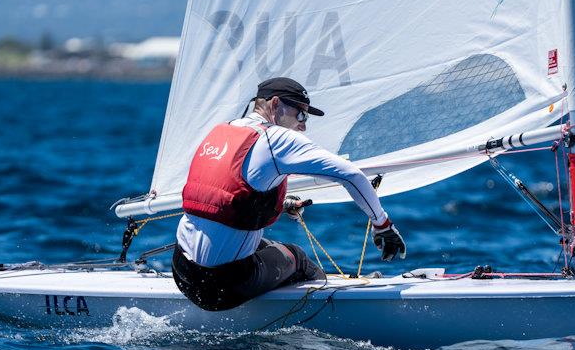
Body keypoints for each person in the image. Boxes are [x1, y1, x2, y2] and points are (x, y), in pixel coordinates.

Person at [172, 77, 406, 311]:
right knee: (298, 257)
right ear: (275, 105)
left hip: (181, 270)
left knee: (264, 245)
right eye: (301, 115)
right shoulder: (276, 138)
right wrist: (382, 224)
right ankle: (333, 310)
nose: (303, 126)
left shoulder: (222, 131)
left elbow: (227, 194)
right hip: (222, 287)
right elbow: (351, 176)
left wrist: (278, 204)